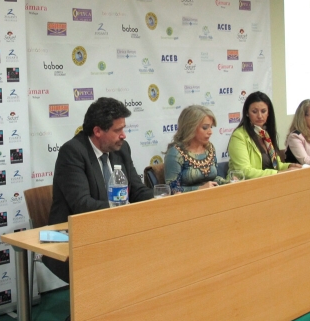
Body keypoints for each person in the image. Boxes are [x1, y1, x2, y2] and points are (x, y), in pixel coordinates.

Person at [45, 97, 153, 284]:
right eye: (117, 130)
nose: (124, 135)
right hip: (68, 236)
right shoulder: (72, 152)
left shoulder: (121, 149)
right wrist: (123, 210)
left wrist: (162, 198)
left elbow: (137, 191)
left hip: (112, 230)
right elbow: (82, 204)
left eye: (123, 129)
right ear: (97, 131)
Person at [228, 91, 301, 178]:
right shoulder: (239, 136)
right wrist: (278, 173)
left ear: (268, 113)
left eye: (263, 111)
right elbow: (244, 171)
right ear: (247, 113)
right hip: (246, 184)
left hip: (270, 182)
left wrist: (289, 166)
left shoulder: (265, 134)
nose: (259, 116)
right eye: (254, 112)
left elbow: (276, 165)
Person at [164, 105, 226, 192]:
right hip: (187, 200)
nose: (210, 132)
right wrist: (200, 189)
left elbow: (214, 178)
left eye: (211, 127)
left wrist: (228, 182)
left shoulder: (209, 147)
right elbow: (172, 190)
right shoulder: (175, 153)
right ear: (191, 128)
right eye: (205, 127)